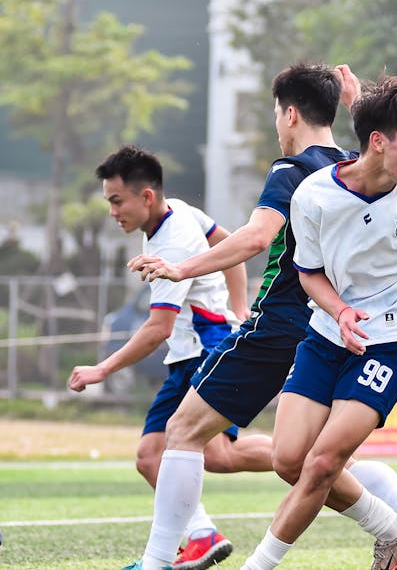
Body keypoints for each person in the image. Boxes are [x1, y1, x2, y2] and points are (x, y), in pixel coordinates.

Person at [130, 64, 397, 570]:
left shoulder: (293, 172)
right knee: (308, 459)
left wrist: (180, 268)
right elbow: (378, 146)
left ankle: (160, 561)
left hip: (287, 322)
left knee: (184, 432)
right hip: (329, 326)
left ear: (288, 113)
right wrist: (360, 102)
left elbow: (257, 237)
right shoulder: (350, 161)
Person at [234, 73, 397, 570]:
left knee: (322, 464)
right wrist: (340, 311)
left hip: (390, 344)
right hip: (326, 337)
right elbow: (308, 274)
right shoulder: (313, 196)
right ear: (377, 141)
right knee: (289, 461)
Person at [68, 145, 270, 570]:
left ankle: (307, 458)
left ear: (145, 197)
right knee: (160, 457)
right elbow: (233, 247)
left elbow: (156, 328)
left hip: (203, 351)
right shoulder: (176, 211)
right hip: (189, 354)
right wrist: (238, 306)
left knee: (206, 455)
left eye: (116, 201)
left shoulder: (171, 246)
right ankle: (202, 535)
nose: (111, 211)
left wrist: (101, 368)